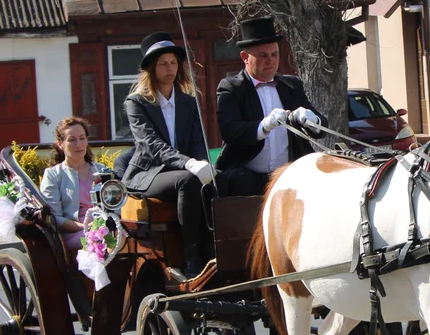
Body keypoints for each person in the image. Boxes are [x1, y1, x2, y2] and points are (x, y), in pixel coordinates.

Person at [121, 32, 213, 278]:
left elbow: (196, 141)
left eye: (173, 62)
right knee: (187, 180)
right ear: (151, 68)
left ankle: (215, 248)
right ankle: (192, 255)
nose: (169, 68)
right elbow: (151, 144)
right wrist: (190, 164)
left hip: (182, 168)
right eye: (163, 63)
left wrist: (204, 164)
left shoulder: (188, 102)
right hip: (148, 174)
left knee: (218, 178)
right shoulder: (137, 103)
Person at [215, 17, 327, 196]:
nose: (270, 61)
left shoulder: (291, 85)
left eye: (274, 54)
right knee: (239, 182)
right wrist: (263, 126)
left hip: (289, 173)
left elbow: (322, 129)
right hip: (248, 175)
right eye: (263, 55)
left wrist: (312, 119)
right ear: (245, 57)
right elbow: (230, 130)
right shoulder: (232, 87)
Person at [40, 118, 111, 251]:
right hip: (75, 233)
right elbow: (54, 217)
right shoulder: (53, 175)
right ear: (60, 144)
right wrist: (86, 226)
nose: (79, 144)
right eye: (72, 140)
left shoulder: (101, 170)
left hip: (106, 228)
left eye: (82, 138)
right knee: (99, 240)